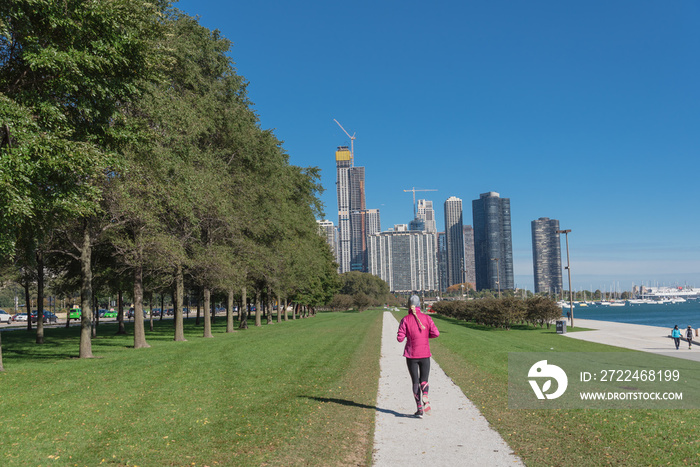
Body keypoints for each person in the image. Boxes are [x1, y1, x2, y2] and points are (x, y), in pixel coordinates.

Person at [397, 295, 439, 418]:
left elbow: (400, 338)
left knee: (415, 381)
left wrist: (406, 336)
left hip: (411, 355)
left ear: (408, 306)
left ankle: (419, 408)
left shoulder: (405, 319)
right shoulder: (427, 318)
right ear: (420, 305)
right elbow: (436, 333)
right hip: (425, 354)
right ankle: (425, 394)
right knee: (424, 380)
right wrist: (425, 336)